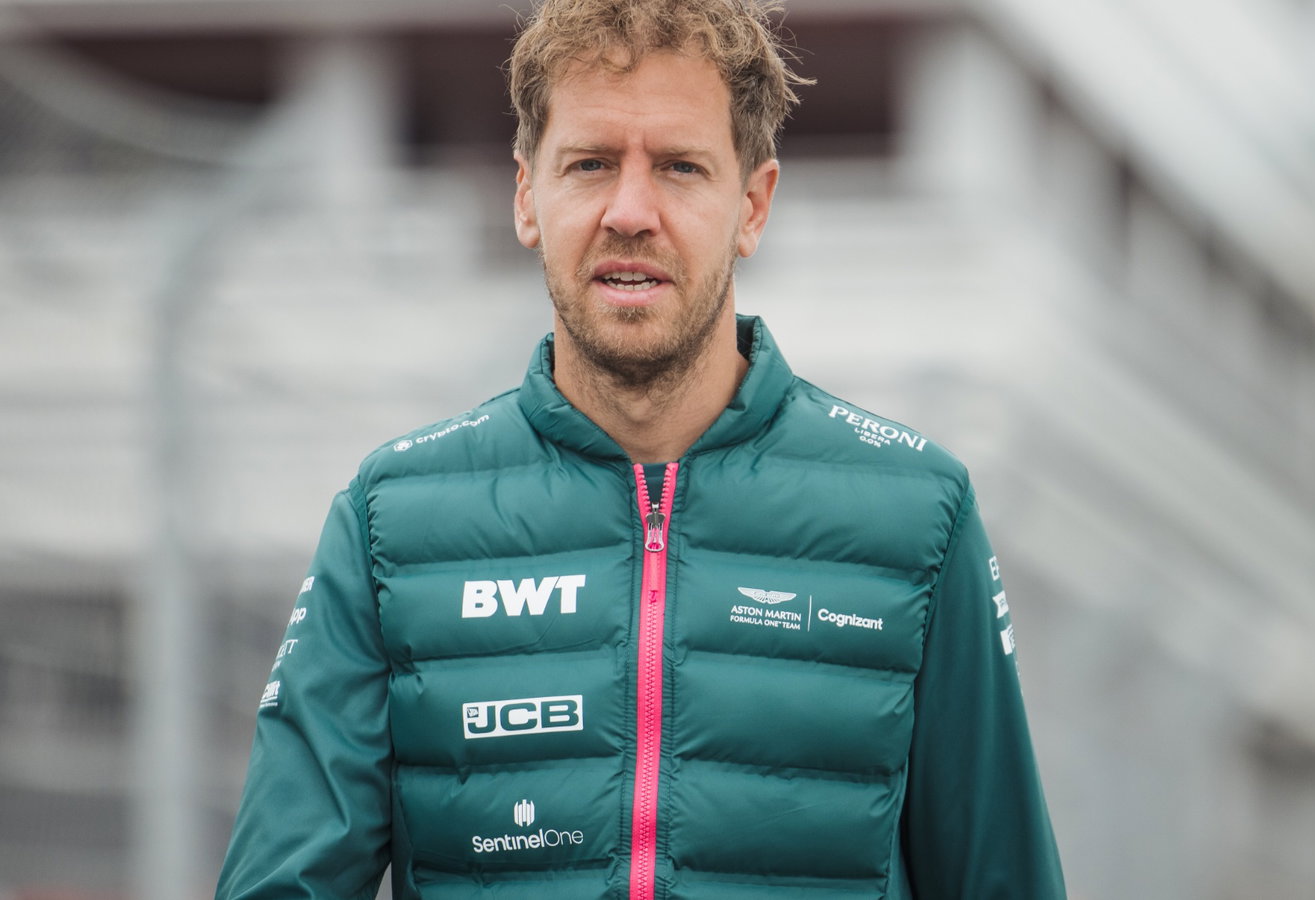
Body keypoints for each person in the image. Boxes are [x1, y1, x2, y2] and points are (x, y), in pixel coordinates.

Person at [214, 0, 1066, 897]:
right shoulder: (393, 521)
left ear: (752, 205)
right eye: (589, 164)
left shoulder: (915, 515)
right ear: (525, 196)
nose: (630, 211)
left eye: (679, 167)